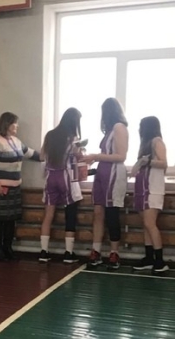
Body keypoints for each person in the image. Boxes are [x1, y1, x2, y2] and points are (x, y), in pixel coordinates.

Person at [0, 112, 40, 261]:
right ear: (7, 124)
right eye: (14, 123)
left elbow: (31, 154)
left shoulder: (16, 141)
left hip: (15, 188)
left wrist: (47, 156)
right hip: (1, 188)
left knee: (11, 220)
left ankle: (8, 248)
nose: (17, 126)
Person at [81, 98, 128, 269]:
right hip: (102, 173)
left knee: (112, 213)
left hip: (114, 174)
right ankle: (96, 250)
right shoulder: (109, 131)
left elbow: (121, 156)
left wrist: (96, 156)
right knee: (98, 212)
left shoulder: (119, 127)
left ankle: (114, 253)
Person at [38, 107, 84, 264]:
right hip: (66, 177)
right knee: (70, 214)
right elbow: (79, 157)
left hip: (50, 177)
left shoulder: (50, 135)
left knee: (48, 215)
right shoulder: (73, 138)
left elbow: (42, 156)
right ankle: (68, 253)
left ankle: (44, 251)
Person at [131, 116, 169, 274]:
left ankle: (160, 261)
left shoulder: (157, 141)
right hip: (142, 189)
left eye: (141, 126)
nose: (139, 129)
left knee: (150, 223)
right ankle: (149, 258)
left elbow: (164, 163)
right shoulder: (144, 145)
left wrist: (149, 161)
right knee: (145, 224)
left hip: (153, 189)